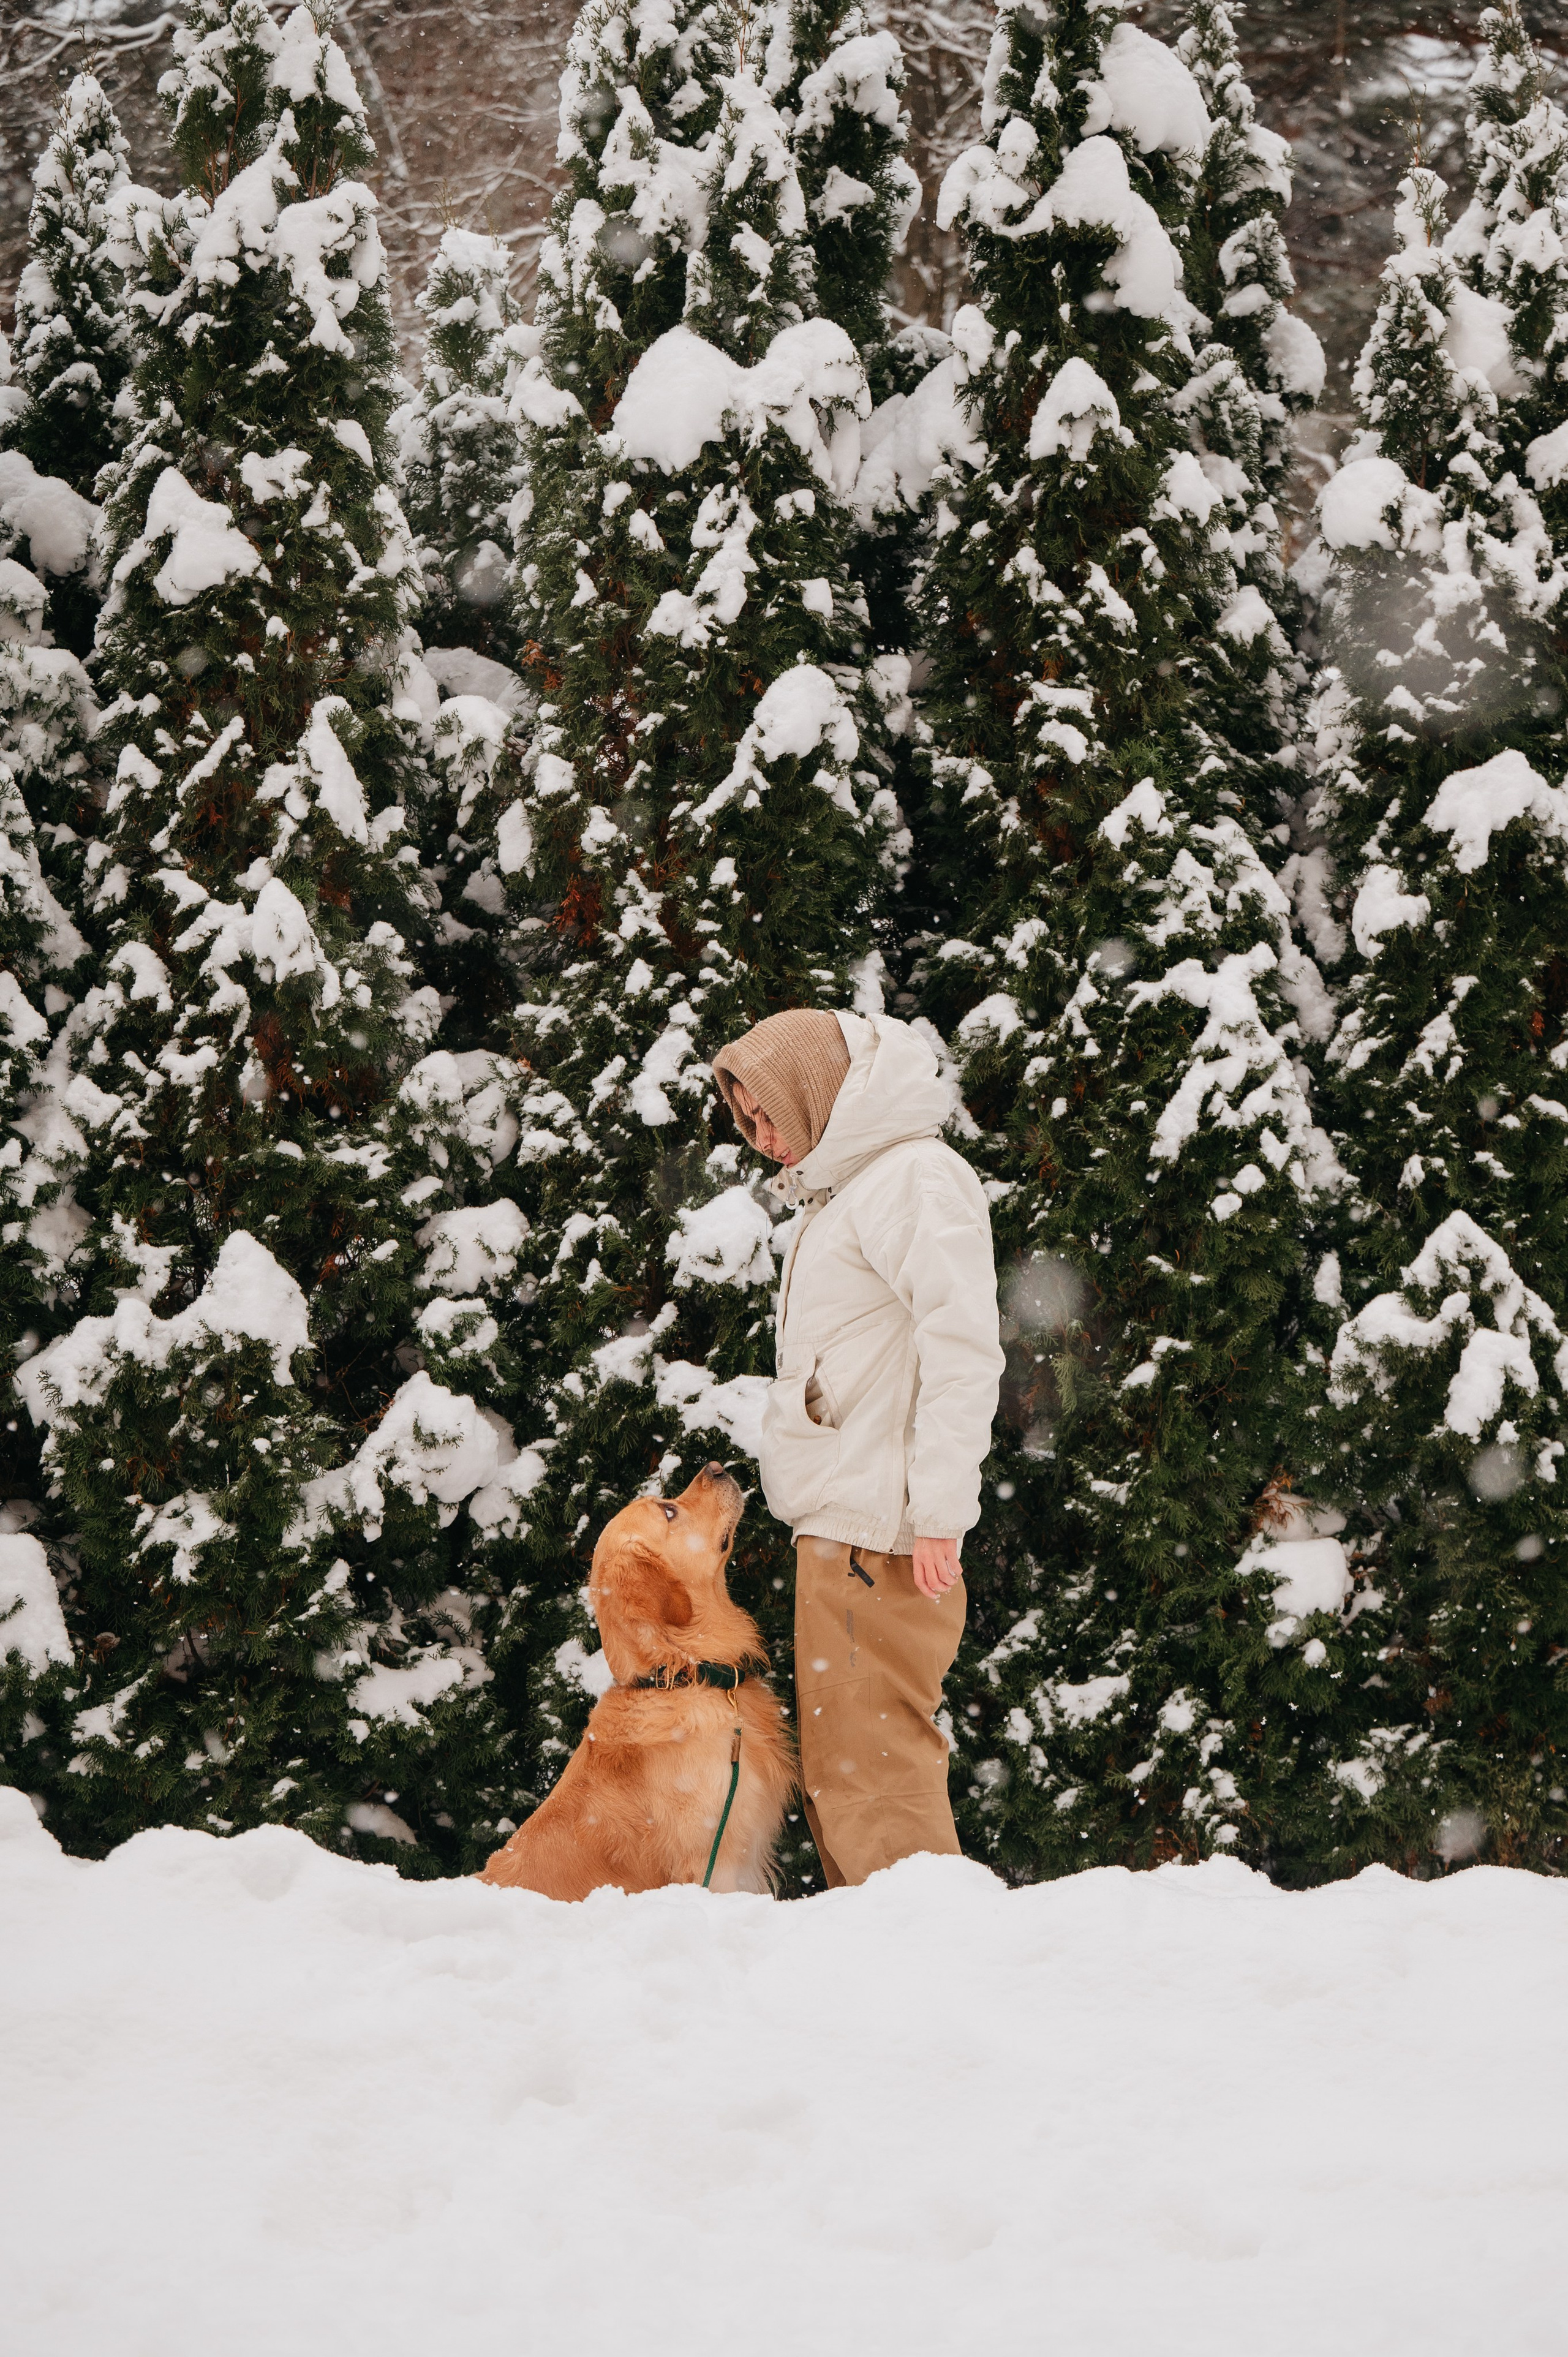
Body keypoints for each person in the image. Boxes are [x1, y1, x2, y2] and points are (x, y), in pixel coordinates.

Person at [711, 1006, 1004, 1888]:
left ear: (817, 1090)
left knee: (877, 1788)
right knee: (847, 1783)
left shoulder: (913, 1179)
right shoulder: (856, 1191)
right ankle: (880, 1999)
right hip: (845, 1533)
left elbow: (965, 1352)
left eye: (768, 1112)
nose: (762, 1138)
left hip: (883, 1538)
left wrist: (942, 1514)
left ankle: (928, 1992)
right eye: (746, 1123)